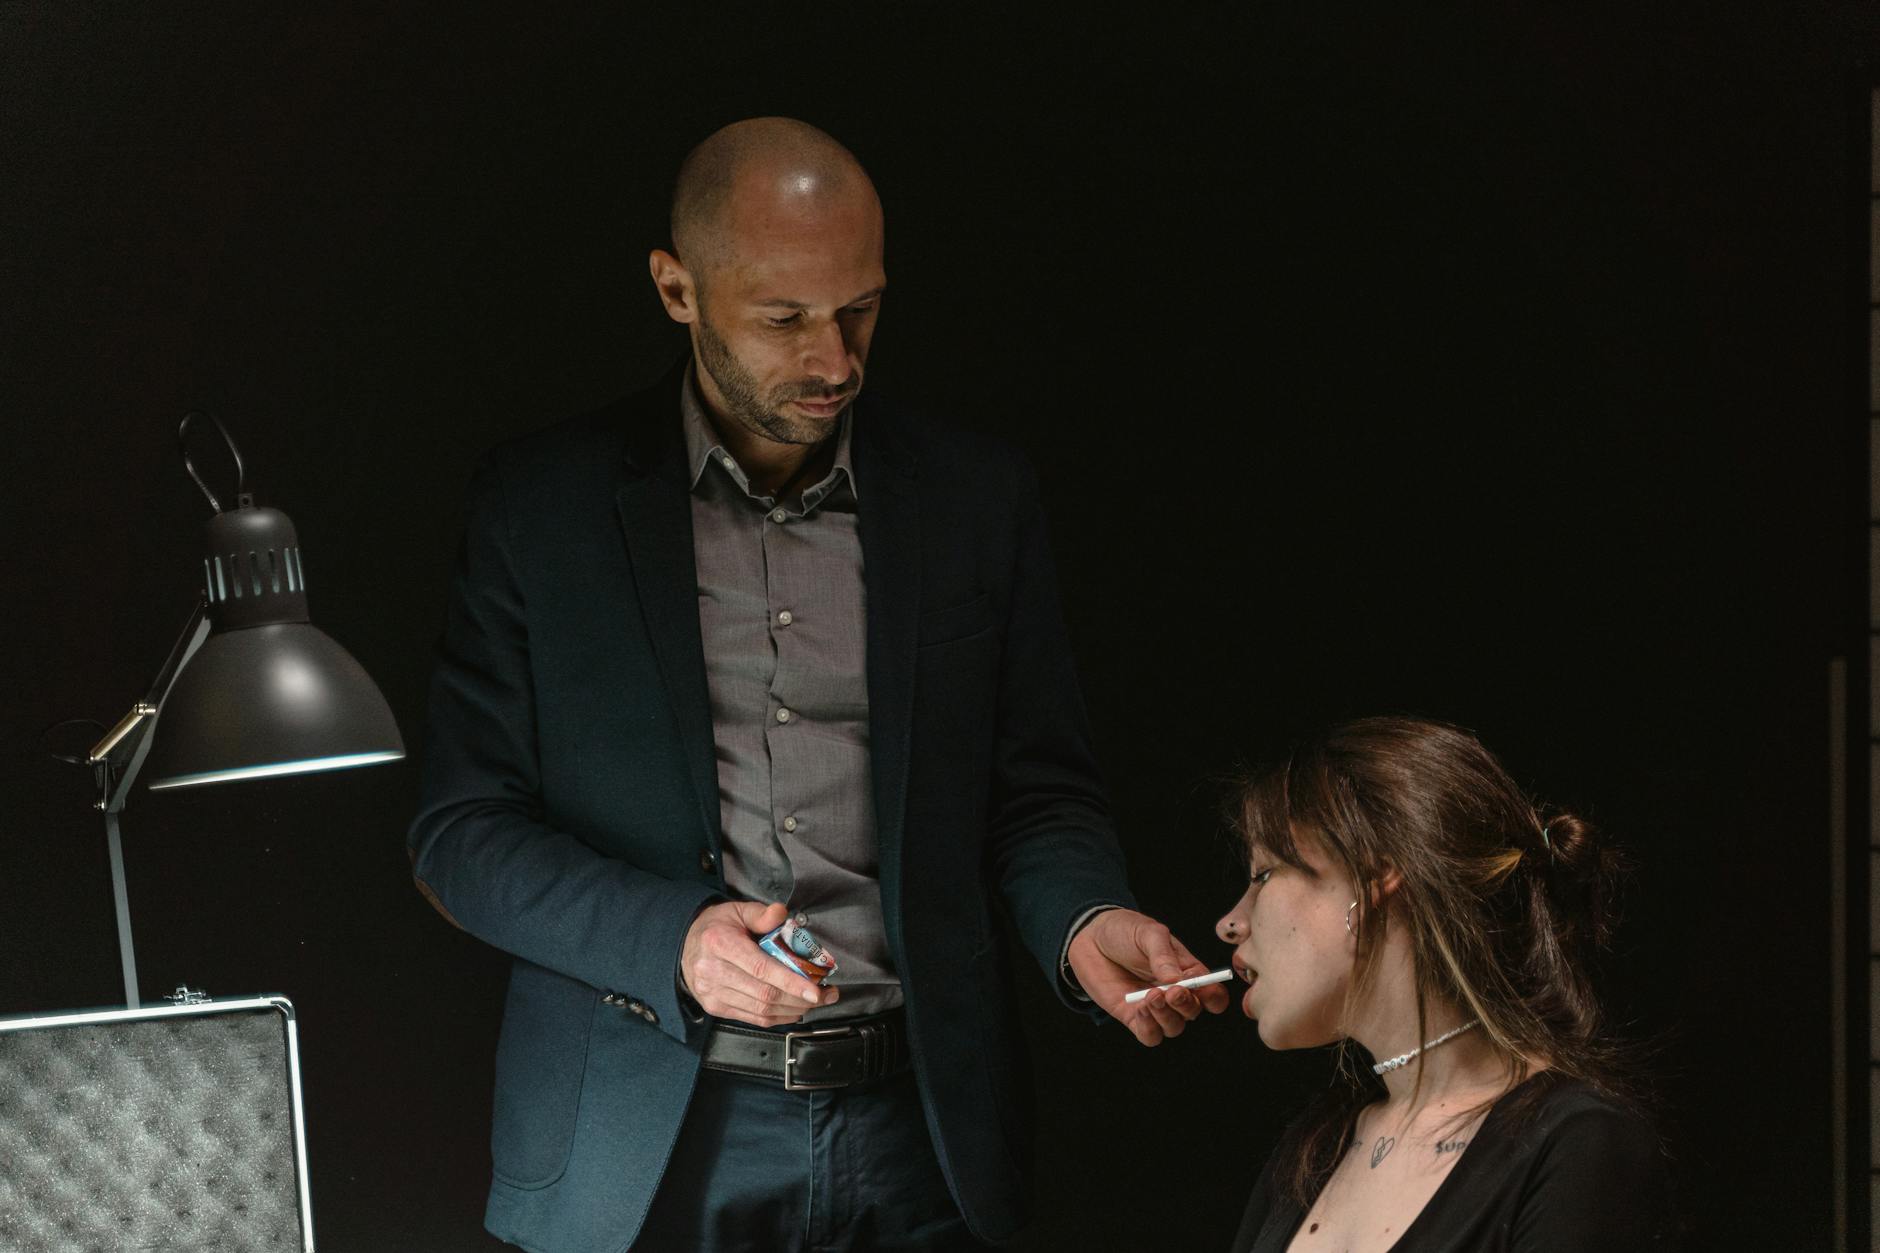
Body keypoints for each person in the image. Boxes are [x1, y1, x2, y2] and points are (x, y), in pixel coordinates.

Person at [407, 116, 1227, 1253]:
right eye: (784, 318)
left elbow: (1035, 792)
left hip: (925, 1136)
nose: (834, 360)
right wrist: (679, 939)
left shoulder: (973, 499)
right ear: (675, 289)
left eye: (861, 310)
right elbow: (460, 834)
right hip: (643, 1146)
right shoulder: (538, 509)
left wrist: (1083, 917)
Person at [1214, 716, 1676, 1251]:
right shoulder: (1313, 1151)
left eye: (1263, 874)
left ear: (1374, 877)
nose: (1230, 923)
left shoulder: (1579, 1146)